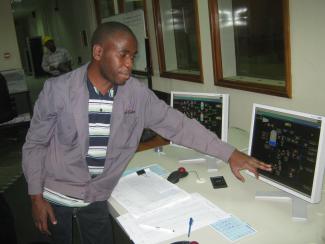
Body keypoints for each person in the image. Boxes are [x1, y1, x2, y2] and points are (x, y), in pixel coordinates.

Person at [22, 22, 272, 244]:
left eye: (133, 56)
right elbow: (34, 144)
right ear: (98, 52)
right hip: (54, 194)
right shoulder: (58, 90)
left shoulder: (136, 94)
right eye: (123, 55)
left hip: (96, 194)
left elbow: (179, 125)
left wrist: (229, 154)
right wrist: (35, 198)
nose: (130, 64)